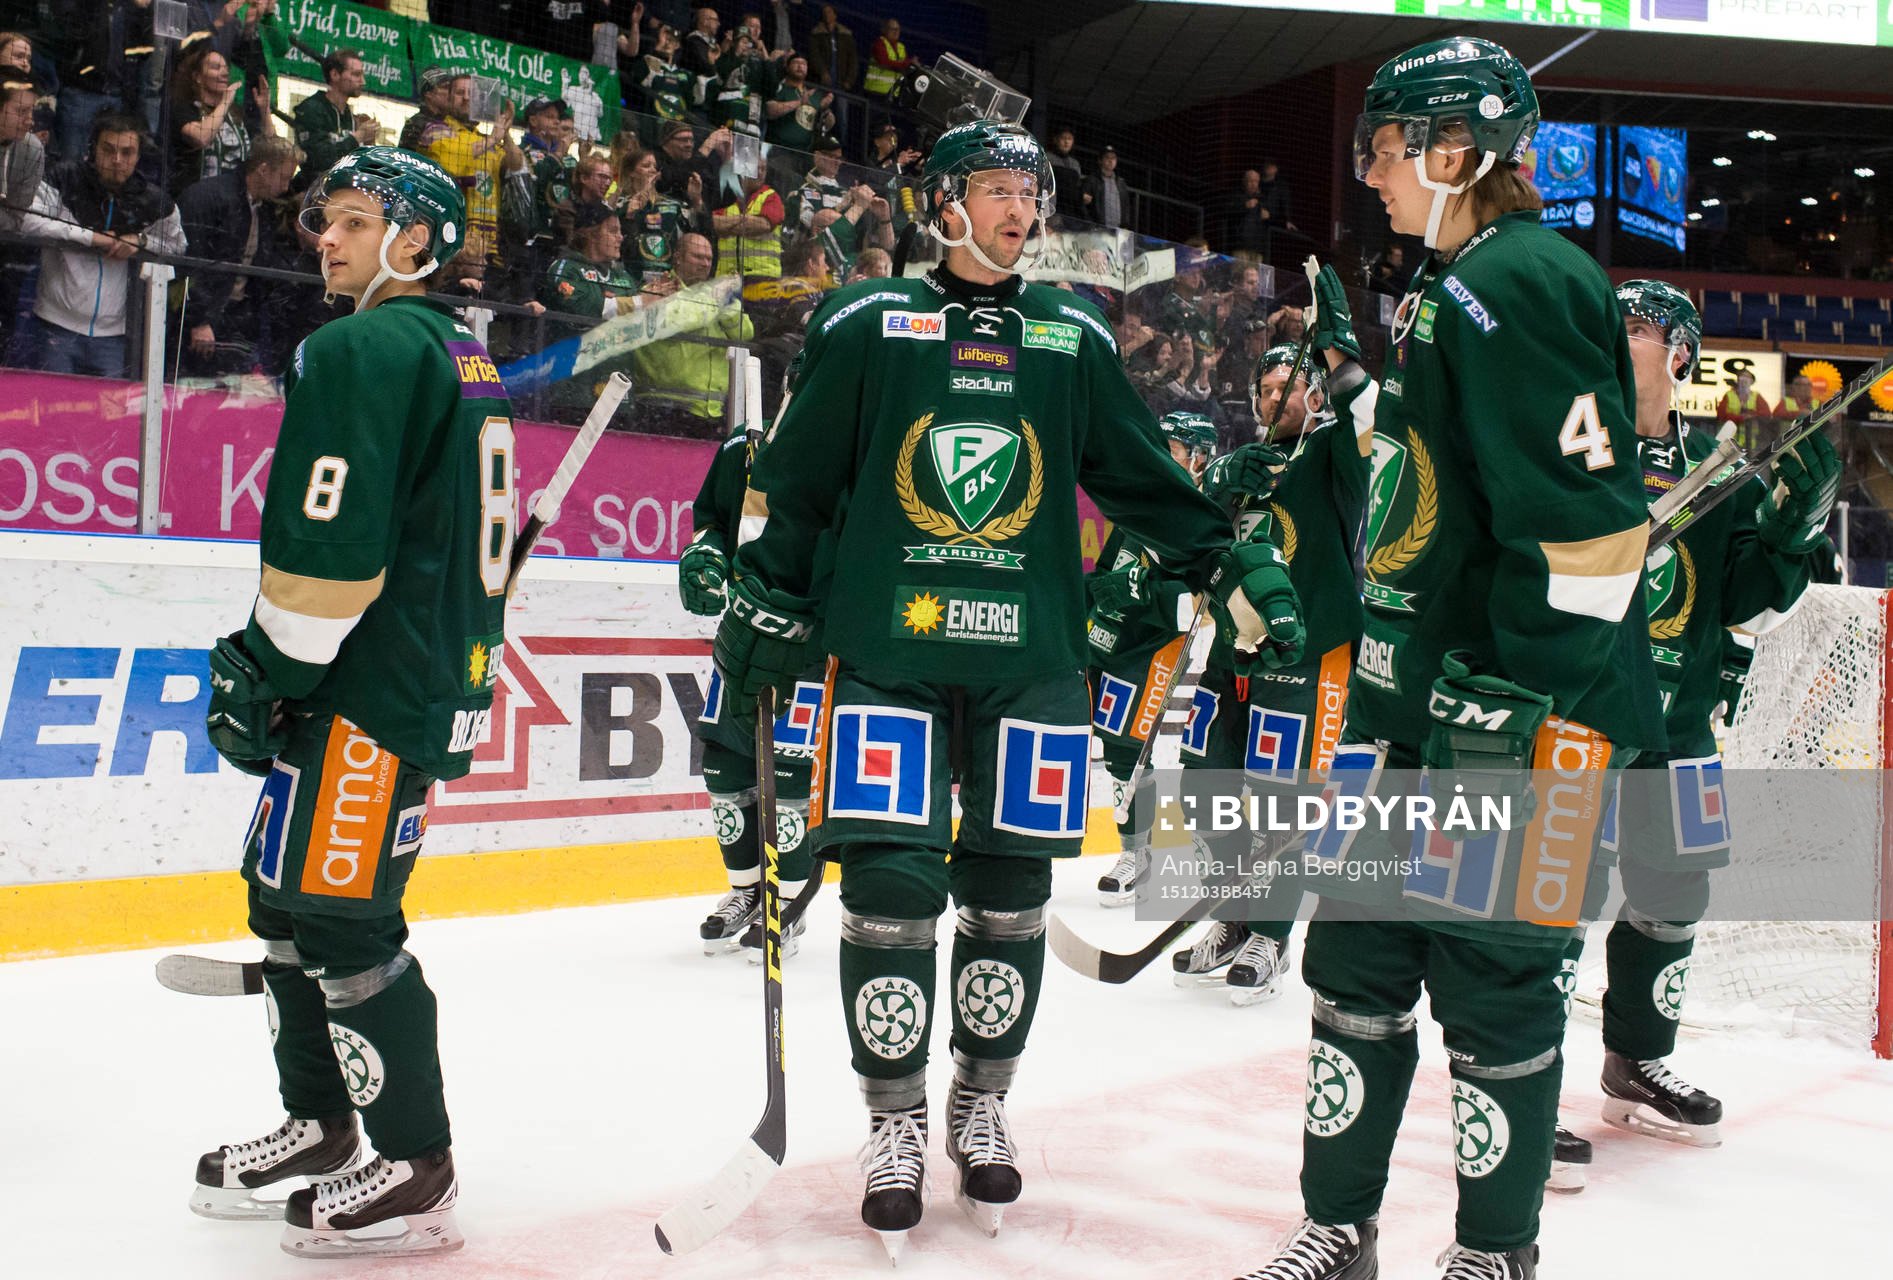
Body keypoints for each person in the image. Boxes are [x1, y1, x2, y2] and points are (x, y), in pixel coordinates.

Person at [713, 118, 1303, 1262]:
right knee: (887, 889)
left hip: (1032, 663)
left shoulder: (1070, 332)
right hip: (890, 650)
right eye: (995, 190)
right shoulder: (865, 322)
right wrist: (764, 612)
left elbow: (1141, 478)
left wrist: (1231, 559)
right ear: (939, 200)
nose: (1021, 213)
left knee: (1011, 893)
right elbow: (796, 487)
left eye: (1031, 194)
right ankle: (892, 1121)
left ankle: (980, 1100)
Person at [1235, 38, 1665, 1280]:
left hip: (1526, 723)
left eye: (1383, 147)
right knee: (1359, 970)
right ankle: (1341, 1227)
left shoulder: (1520, 279)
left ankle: (1493, 1252)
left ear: (1453, 150)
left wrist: (1524, 686)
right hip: (1416, 710)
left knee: (1497, 993)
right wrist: (1358, 382)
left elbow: (1592, 528)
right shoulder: (1457, 280)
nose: (1369, 171)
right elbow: (1449, 472)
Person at [190, 144, 506, 1259]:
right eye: (326, 219)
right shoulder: (461, 355)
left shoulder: (362, 345)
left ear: (417, 241)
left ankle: (417, 1166)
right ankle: (325, 1125)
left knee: (341, 917)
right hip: (412, 673)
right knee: (284, 899)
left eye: (356, 219)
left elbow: (331, 560)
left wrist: (266, 672)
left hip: (364, 684)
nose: (325, 237)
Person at [1548, 281, 1834, 1189]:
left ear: (1679, 352)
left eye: (1632, 327)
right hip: (1582, 712)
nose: (1612, 335)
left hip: (1677, 723)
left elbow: (1750, 598)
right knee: (1552, 900)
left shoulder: (1719, 461)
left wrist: (1797, 515)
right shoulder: (1574, 431)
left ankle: (1635, 1060)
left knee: (1674, 897)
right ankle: (1521, 1081)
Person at [1161, 340, 1370, 1007]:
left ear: (1314, 391)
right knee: (1206, 783)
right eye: (1264, 387)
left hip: (1308, 654)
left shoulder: (1334, 452)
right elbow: (1181, 541)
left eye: (1289, 384)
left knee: (1283, 798)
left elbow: (1369, 424)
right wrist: (1215, 485)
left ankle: (1272, 936)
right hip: (1232, 652)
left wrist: (1341, 357)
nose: (1273, 397)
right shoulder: (1238, 464)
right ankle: (1234, 914)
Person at [680, 356, 824, 960]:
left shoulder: (857, 449)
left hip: (812, 646)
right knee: (725, 765)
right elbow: (712, 519)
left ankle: (788, 898)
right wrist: (705, 556)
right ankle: (745, 889)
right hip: (743, 634)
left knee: (788, 773)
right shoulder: (746, 447)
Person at [1087, 410, 1215, 906]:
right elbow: (1104, 573)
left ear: (1199, 459)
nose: (1160, 458)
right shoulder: (1137, 507)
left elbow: (1200, 603)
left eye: (1174, 450)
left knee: (1179, 753)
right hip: (1111, 645)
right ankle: (1135, 851)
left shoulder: (1204, 516)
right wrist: (1108, 591)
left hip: (1160, 648)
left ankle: (1207, 844)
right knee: (1120, 754)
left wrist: (1142, 593)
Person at [23, 113, 186, 378]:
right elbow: (29, 222)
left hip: (114, 334)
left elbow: (178, 246)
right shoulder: (64, 178)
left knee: (108, 417)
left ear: (138, 157)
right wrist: (90, 237)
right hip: (56, 325)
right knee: (53, 411)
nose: (117, 161)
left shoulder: (152, 200)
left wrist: (141, 241)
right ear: (93, 149)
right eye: (108, 150)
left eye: (127, 152)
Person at [176, 134, 303, 376]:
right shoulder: (209, 198)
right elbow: (189, 265)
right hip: (203, 321)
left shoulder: (263, 207)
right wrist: (199, 320)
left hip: (235, 319)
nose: (286, 187)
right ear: (264, 170)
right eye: (284, 178)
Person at [630, 230, 752, 437]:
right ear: (678, 257)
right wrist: (716, 301)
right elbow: (680, 320)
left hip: (711, 410)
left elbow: (745, 333)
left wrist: (728, 307)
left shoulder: (713, 294)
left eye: (709, 258)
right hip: (664, 408)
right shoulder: (658, 288)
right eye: (698, 256)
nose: (705, 264)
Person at [169, 41, 250, 196]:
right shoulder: (184, 108)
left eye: (226, 68)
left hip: (231, 200)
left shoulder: (235, 113)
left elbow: (261, 148)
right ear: (198, 77)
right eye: (216, 67)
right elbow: (202, 138)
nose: (225, 73)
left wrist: (264, 110)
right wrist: (225, 102)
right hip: (195, 198)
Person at [291, 47, 378, 189]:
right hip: (311, 190)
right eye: (356, 75)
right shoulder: (311, 110)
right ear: (335, 75)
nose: (363, 81)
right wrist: (357, 138)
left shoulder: (350, 116)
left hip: (342, 190)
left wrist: (368, 144)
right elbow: (316, 160)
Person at [1079, 144, 1129, 229]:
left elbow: (1126, 207)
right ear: (1100, 160)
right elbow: (1083, 205)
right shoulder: (1092, 180)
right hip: (1098, 229)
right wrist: (1090, 224)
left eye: (1113, 158)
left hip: (1118, 230)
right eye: (1107, 157)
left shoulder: (1121, 183)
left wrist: (1125, 226)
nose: (1111, 161)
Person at [862, 17, 914, 99]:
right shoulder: (880, 43)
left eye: (898, 29)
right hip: (875, 91)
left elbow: (904, 66)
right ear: (885, 30)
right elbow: (884, 62)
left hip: (893, 94)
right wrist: (907, 63)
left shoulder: (901, 47)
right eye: (893, 29)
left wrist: (911, 64)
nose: (896, 32)